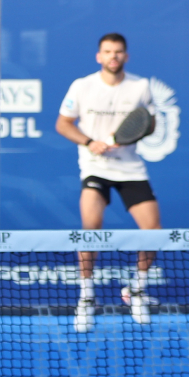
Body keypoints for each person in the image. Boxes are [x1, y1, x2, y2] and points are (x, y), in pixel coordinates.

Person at [55, 33, 161, 333]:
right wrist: (90, 142)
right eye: (107, 51)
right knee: (91, 231)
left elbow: (149, 124)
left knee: (153, 232)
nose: (113, 56)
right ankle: (87, 299)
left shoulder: (140, 87)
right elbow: (62, 123)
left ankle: (136, 291)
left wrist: (128, 136)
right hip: (94, 167)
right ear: (99, 56)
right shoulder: (82, 86)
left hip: (130, 169)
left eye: (118, 52)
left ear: (126, 57)